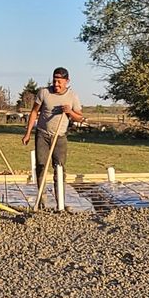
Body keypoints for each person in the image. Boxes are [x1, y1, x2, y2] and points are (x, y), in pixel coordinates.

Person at [23, 66, 87, 201]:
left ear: (67, 81)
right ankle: (41, 200)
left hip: (60, 137)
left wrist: (69, 111)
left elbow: (80, 118)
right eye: (54, 81)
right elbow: (34, 112)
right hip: (42, 134)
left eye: (59, 82)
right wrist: (28, 133)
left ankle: (60, 203)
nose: (56, 84)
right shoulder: (44, 93)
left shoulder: (72, 96)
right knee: (41, 166)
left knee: (59, 168)